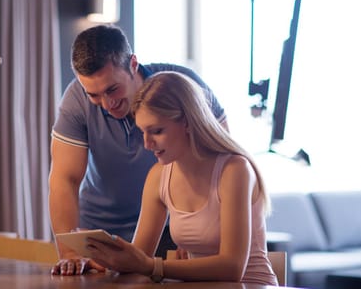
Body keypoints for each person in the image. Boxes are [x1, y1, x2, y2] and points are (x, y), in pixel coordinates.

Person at [49, 25, 227, 275]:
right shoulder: (76, 101)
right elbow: (64, 180)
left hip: (171, 226)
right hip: (101, 229)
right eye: (94, 95)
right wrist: (69, 253)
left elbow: (221, 157)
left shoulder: (180, 88)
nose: (107, 104)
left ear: (133, 64)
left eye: (113, 89)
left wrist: (198, 229)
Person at [84, 71, 278, 284]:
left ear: (187, 122)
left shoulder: (234, 170)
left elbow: (232, 268)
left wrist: (152, 266)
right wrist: (100, 261)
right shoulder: (158, 177)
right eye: (143, 132)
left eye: (157, 131)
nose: (147, 144)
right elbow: (138, 257)